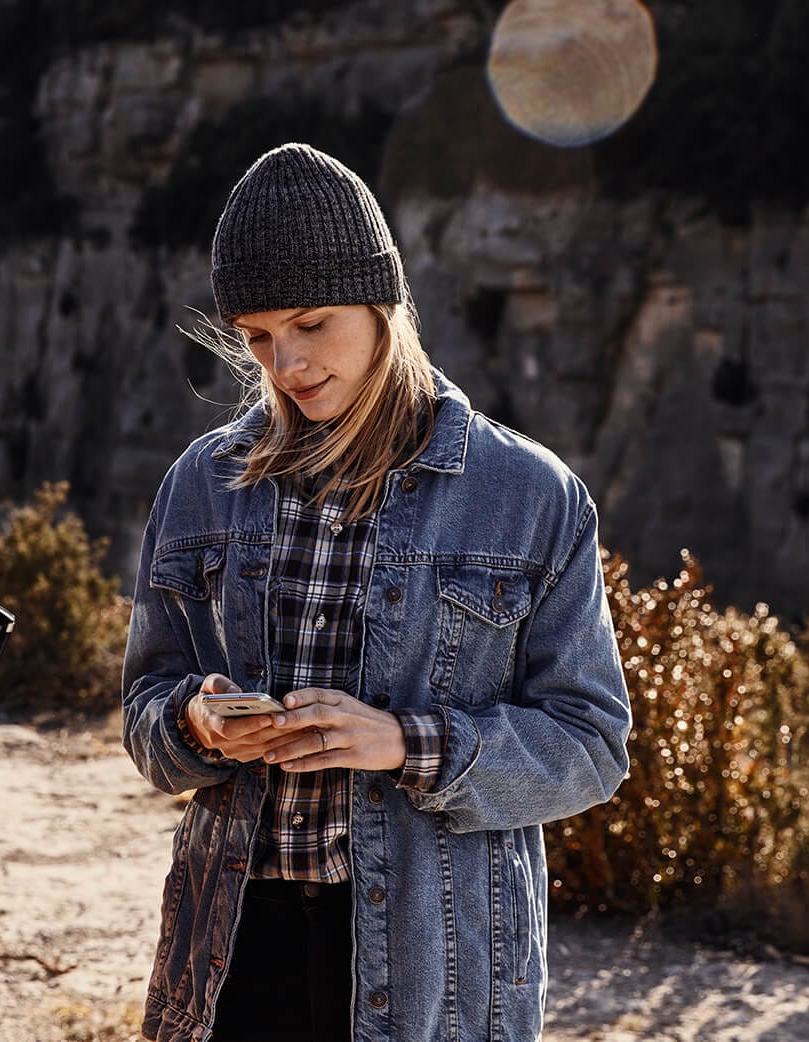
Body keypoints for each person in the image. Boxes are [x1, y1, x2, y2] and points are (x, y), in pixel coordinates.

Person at [121, 143, 632, 1042]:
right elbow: (144, 716)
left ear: (382, 302)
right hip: (233, 950)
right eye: (257, 337)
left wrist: (404, 743)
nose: (285, 363)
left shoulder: (530, 497)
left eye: (312, 323)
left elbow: (590, 746)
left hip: (436, 963)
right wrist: (195, 725)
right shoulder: (201, 485)